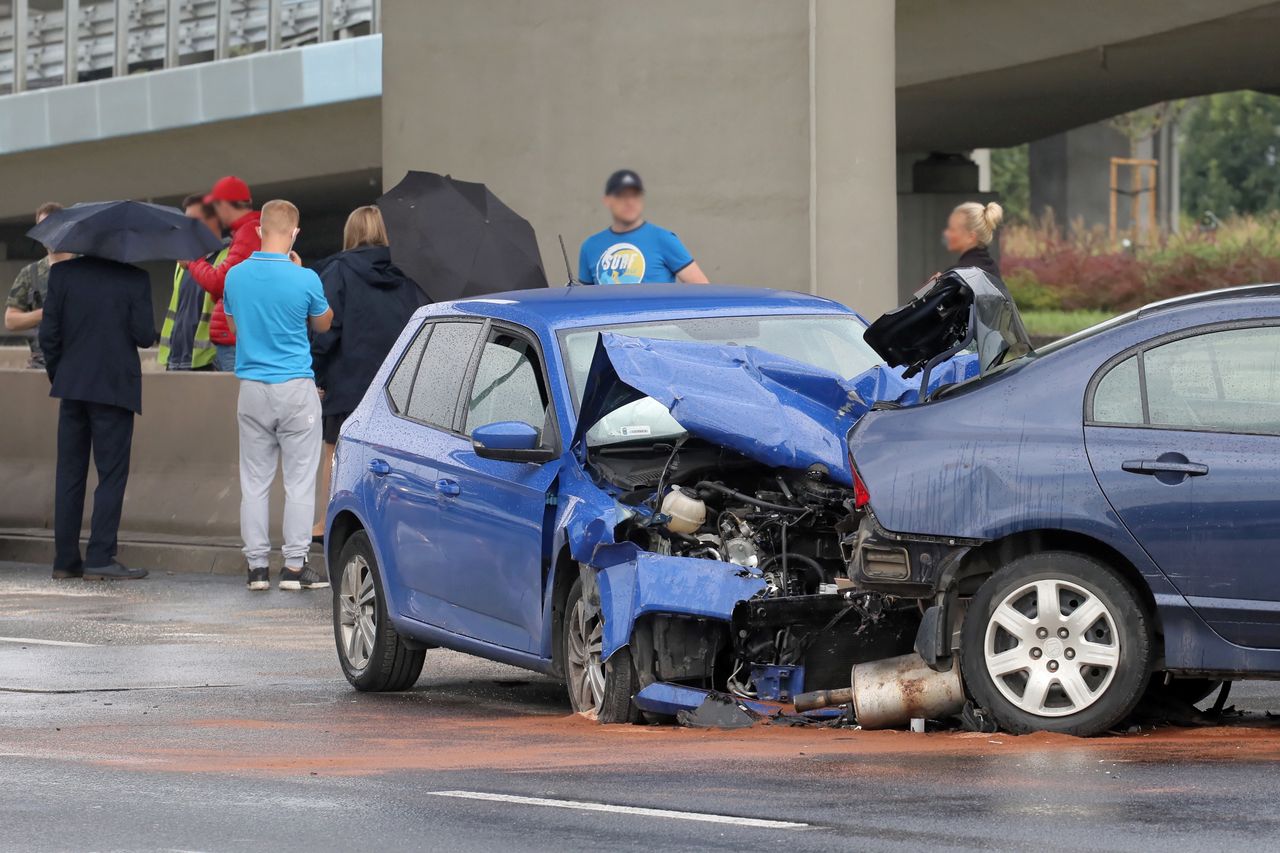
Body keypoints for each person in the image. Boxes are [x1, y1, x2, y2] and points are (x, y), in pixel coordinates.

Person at [223, 200, 333, 592]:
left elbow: (235, 327)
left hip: (252, 388)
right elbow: (323, 324)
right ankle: (293, 566)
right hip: (295, 389)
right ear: (295, 233)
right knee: (300, 481)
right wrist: (299, 274)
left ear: (259, 230)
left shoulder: (234, 276)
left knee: (254, 481)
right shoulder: (305, 279)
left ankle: (255, 568)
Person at [39, 254, 156, 581]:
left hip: (72, 386)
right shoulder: (135, 277)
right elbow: (145, 335)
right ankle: (100, 556)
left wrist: (60, 375)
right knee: (111, 475)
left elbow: (48, 334)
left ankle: (64, 560)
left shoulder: (62, 274)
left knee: (69, 473)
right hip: (115, 389)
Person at [310, 205, 423, 539]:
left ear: (351, 232)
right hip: (393, 386)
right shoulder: (405, 274)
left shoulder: (337, 271)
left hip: (346, 380)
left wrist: (316, 373)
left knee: (336, 453)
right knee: (388, 460)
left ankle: (327, 524)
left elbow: (327, 330)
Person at [578, 170, 709, 285]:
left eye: (634, 195)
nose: (630, 202)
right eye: (621, 196)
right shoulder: (590, 247)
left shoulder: (663, 239)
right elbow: (588, 303)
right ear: (607, 200)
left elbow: (702, 290)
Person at [186, 176, 262, 371]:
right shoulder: (250, 230)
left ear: (225, 205)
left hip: (237, 341)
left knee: (234, 399)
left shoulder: (248, 232)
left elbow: (221, 283)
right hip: (238, 338)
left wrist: (193, 261)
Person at [157, 195, 228, 371]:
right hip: (176, 359)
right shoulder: (182, 263)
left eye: (194, 221)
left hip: (208, 361)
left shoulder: (227, 258)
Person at [5, 202, 69, 369]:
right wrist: (47, 312)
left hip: (81, 364)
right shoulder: (30, 273)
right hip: (42, 364)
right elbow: (11, 321)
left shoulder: (86, 267)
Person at [944, 201, 1007, 293]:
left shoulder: (957, 275)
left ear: (971, 237)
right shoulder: (992, 268)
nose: (946, 233)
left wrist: (931, 287)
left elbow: (919, 303)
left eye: (952, 229)